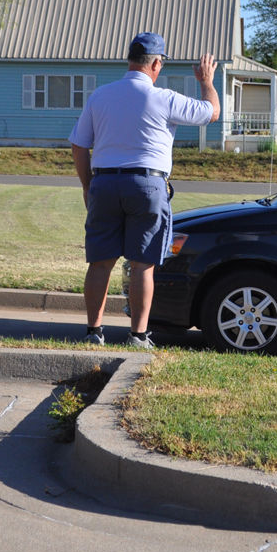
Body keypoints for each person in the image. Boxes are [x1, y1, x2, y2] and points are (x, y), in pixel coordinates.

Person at [70, 32, 220, 348]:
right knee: (142, 264)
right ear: (155, 63)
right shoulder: (164, 98)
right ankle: (137, 335)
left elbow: (79, 145)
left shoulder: (100, 96)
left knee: (100, 262)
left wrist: (88, 185)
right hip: (148, 183)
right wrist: (206, 80)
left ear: (129, 60)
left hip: (105, 181)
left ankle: (93, 332)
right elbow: (211, 112)